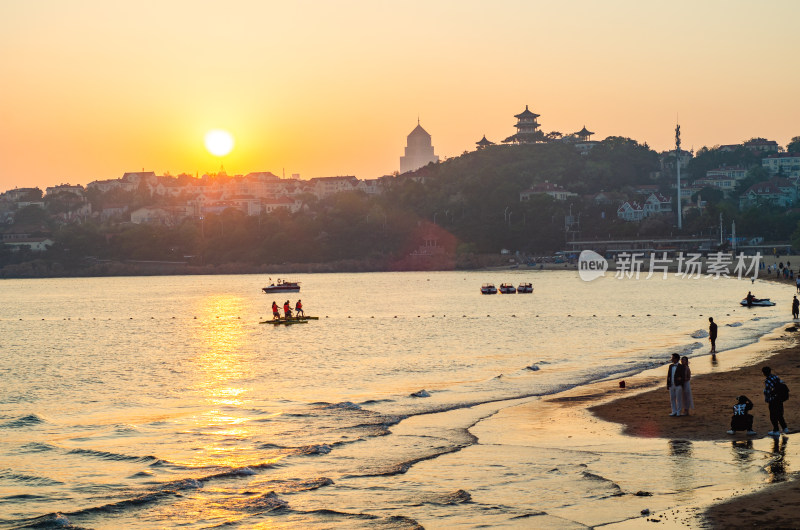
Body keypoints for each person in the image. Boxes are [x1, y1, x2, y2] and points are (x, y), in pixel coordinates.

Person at [763, 366, 788, 436]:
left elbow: (768, 391)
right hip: (779, 398)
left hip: (773, 400)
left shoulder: (767, 380)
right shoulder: (775, 377)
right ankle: (785, 428)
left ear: (764, 373)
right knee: (780, 414)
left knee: (773, 415)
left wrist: (766, 397)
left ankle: (776, 430)